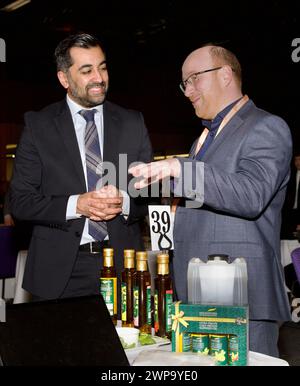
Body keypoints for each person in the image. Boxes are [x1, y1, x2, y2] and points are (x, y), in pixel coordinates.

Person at [129, 45, 293, 356]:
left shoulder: (266, 126)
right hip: (196, 293)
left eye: (193, 79)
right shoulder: (202, 140)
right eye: (184, 83)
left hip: (242, 297)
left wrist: (180, 168)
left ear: (226, 75)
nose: (187, 90)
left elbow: (251, 195)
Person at [10, 33, 152, 302]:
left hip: (124, 266)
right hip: (59, 271)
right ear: (64, 78)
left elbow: (151, 194)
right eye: (87, 70)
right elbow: (21, 202)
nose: (99, 78)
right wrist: (77, 205)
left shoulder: (132, 122)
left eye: (103, 67)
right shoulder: (38, 126)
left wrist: (123, 200)